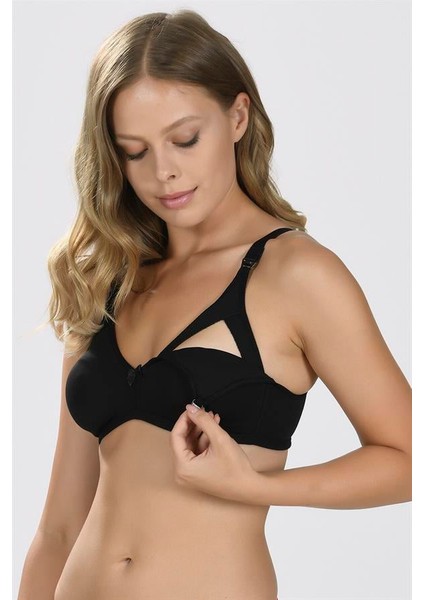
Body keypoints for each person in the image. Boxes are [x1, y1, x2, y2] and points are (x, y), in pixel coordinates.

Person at [17, 9, 411, 600]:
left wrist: (258, 488)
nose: (164, 172)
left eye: (185, 139)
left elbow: (407, 457)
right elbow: (59, 526)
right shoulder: (107, 278)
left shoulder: (296, 275)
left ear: (238, 116)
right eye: (134, 151)